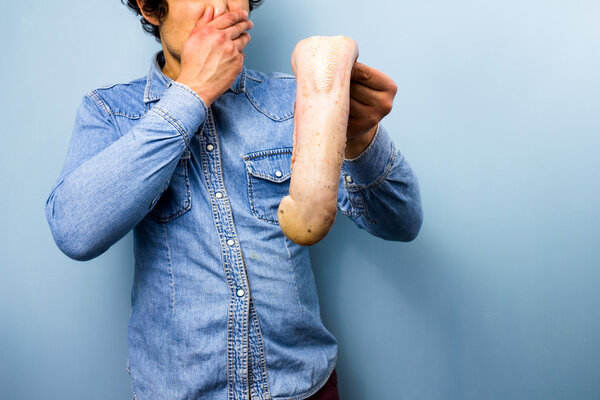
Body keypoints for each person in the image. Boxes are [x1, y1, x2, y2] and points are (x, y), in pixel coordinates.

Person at [44, 0, 423, 399]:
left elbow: (402, 222)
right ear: (151, 8)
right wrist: (193, 94)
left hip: (304, 389)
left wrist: (360, 140)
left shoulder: (294, 99)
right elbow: (75, 232)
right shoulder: (111, 112)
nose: (222, 6)